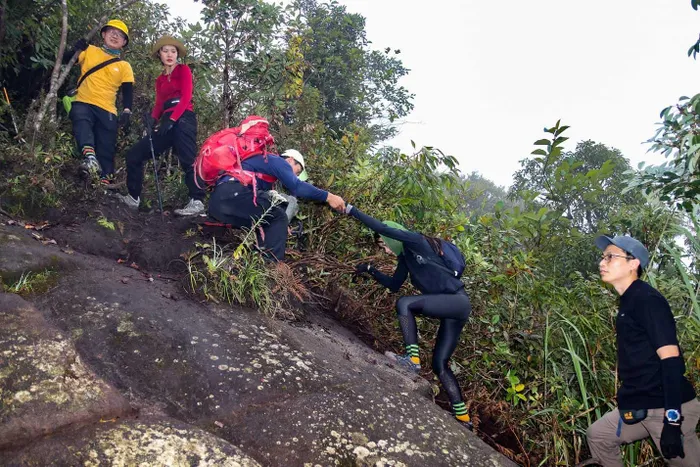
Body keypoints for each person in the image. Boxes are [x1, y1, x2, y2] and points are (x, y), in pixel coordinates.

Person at [346, 204, 473, 429]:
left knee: (406, 303)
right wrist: (369, 269)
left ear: (392, 237)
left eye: (384, 244)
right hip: (455, 308)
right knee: (440, 364)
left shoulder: (415, 240)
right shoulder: (406, 258)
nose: (385, 249)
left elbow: (379, 226)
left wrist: (350, 209)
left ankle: (412, 360)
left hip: (457, 300)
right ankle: (464, 419)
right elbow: (394, 285)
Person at [586, 235, 699, 466]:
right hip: (639, 406)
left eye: (610, 257)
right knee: (598, 435)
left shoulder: (647, 300)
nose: (602, 262)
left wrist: (673, 420)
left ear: (633, 263)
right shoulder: (629, 300)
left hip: (665, 406)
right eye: (602, 257)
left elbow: (671, 360)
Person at [116, 36, 205, 216]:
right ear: (160, 54)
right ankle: (133, 198)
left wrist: (172, 120)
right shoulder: (160, 80)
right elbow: (159, 104)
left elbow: (186, 97)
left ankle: (197, 202)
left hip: (184, 119)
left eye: (173, 51)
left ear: (177, 54)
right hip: (167, 122)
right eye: (165, 51)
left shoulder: (184, 70)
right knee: (135, 154)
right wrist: (153, 120)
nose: (169, 55)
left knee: (188, 159)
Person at [207, 149, 345, 261]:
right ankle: (271, 266)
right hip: (231, 194)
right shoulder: (277, 160)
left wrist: (280, 228)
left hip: (217, 204)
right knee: (278, 216)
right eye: (296, 171)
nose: (294, 175)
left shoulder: (264, 169)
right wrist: (328, 196)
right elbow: (297, 187)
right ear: (290, 160)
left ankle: (256, 259)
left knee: (271, 218)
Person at [65, 19, 134, 184]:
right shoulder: (90, 50)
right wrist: (76, 48)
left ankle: (104, 184)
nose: (115, 36)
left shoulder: (124, 66)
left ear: (124, 42)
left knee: (106, 147)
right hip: (84, 101)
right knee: (81, 121)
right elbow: (65, 60)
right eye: (112, 32)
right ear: (104, 34)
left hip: (107, 109)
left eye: (120, 35)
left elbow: (127, 91)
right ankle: (90, 158)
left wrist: (127, 111)